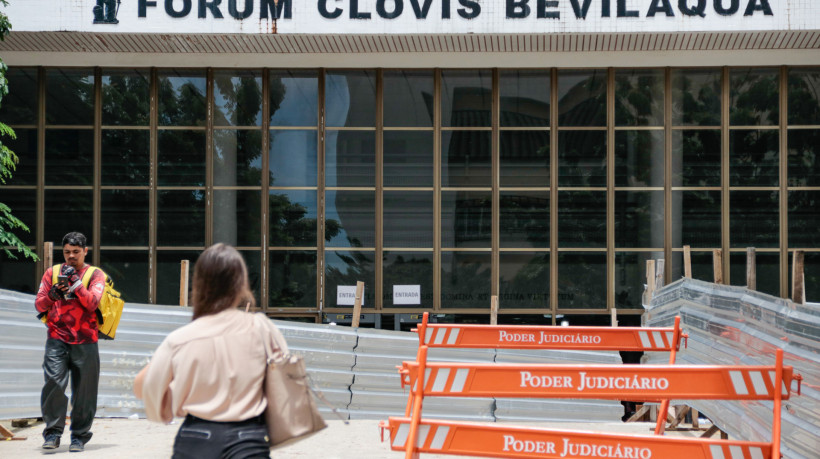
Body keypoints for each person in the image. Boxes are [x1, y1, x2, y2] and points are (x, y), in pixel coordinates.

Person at [134, 243, 288, 459]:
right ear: (241, 284)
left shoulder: (181, 338)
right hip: (249, 438)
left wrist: (169, 399)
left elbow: (143, 386)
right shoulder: (262, 328)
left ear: (198, 285)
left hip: (195, 438)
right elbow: (285, 380)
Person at [35, 231, 106, 452]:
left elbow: (93, 303)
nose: (71, 256)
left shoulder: (95, 274)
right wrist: (52, 296)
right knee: (53, 384)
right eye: (67, 252)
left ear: (85, 251)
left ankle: (79, 436)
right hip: (57, 338)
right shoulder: (52, 273)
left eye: (76, 252)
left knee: (84, 391)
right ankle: (53, 433)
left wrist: (76, 283)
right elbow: (39, 305)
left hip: (86, 340)